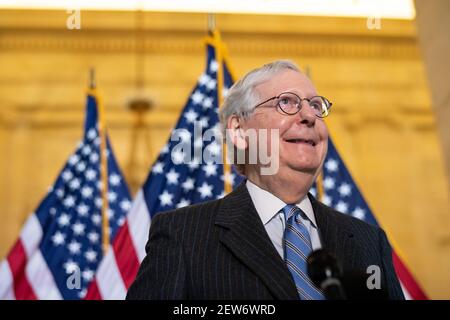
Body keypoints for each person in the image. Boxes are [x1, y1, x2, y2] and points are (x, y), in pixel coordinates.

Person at [126, 60, 404, 300]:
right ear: (239, 130)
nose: (309, 116)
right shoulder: (183, 235)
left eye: (316, 106)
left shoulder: (369, 241)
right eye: (287, 102)